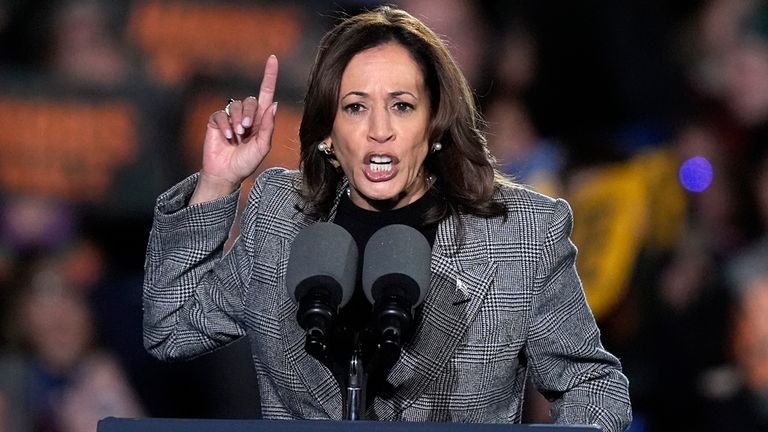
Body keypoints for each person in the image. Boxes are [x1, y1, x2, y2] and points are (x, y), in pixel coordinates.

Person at [142, 6, 631, 430]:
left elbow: (593, 386)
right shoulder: (279, 217)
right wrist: (218, 182)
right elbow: (170, 327)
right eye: (356, 107)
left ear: (435, 123)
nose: (380, 131)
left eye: (401, 106)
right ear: (328, 132)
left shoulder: (520, 232)